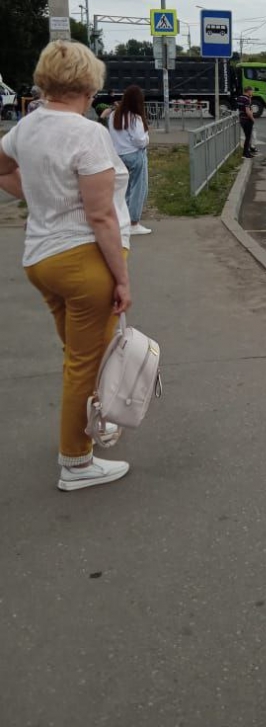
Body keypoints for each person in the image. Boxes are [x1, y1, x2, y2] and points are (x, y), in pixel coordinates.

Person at [0, 40, 132, 491]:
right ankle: (76, 462)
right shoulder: (86, 132)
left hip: (40, 258)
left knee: (80, 356)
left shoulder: (27, 126)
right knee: (85, 360)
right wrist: (123, 278)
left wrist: (35, 199)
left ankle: (92, 425)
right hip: (81, 262)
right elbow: (100, 216)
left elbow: (1, 168)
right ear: (88, 83)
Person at [108, 85, 152, 236]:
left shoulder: (114, 115)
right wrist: (147, 138)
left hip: (118, 156)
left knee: (123, 189)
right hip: (135, 155)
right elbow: (140, 140)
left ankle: (123, 220)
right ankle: (134, 222)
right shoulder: (135, 117)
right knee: (138, 189)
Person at [237, 86, 256, 158]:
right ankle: (246, 153)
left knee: (247, 136)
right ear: (248, 91)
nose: (252, 92)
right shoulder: (246, 100)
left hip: (241, 118)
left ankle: (246, 152)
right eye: (251, 91)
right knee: (248, 137)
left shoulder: (240, 98)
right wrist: (252, 118)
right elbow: (248, 111)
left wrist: (250, 98)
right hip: (247, 120)